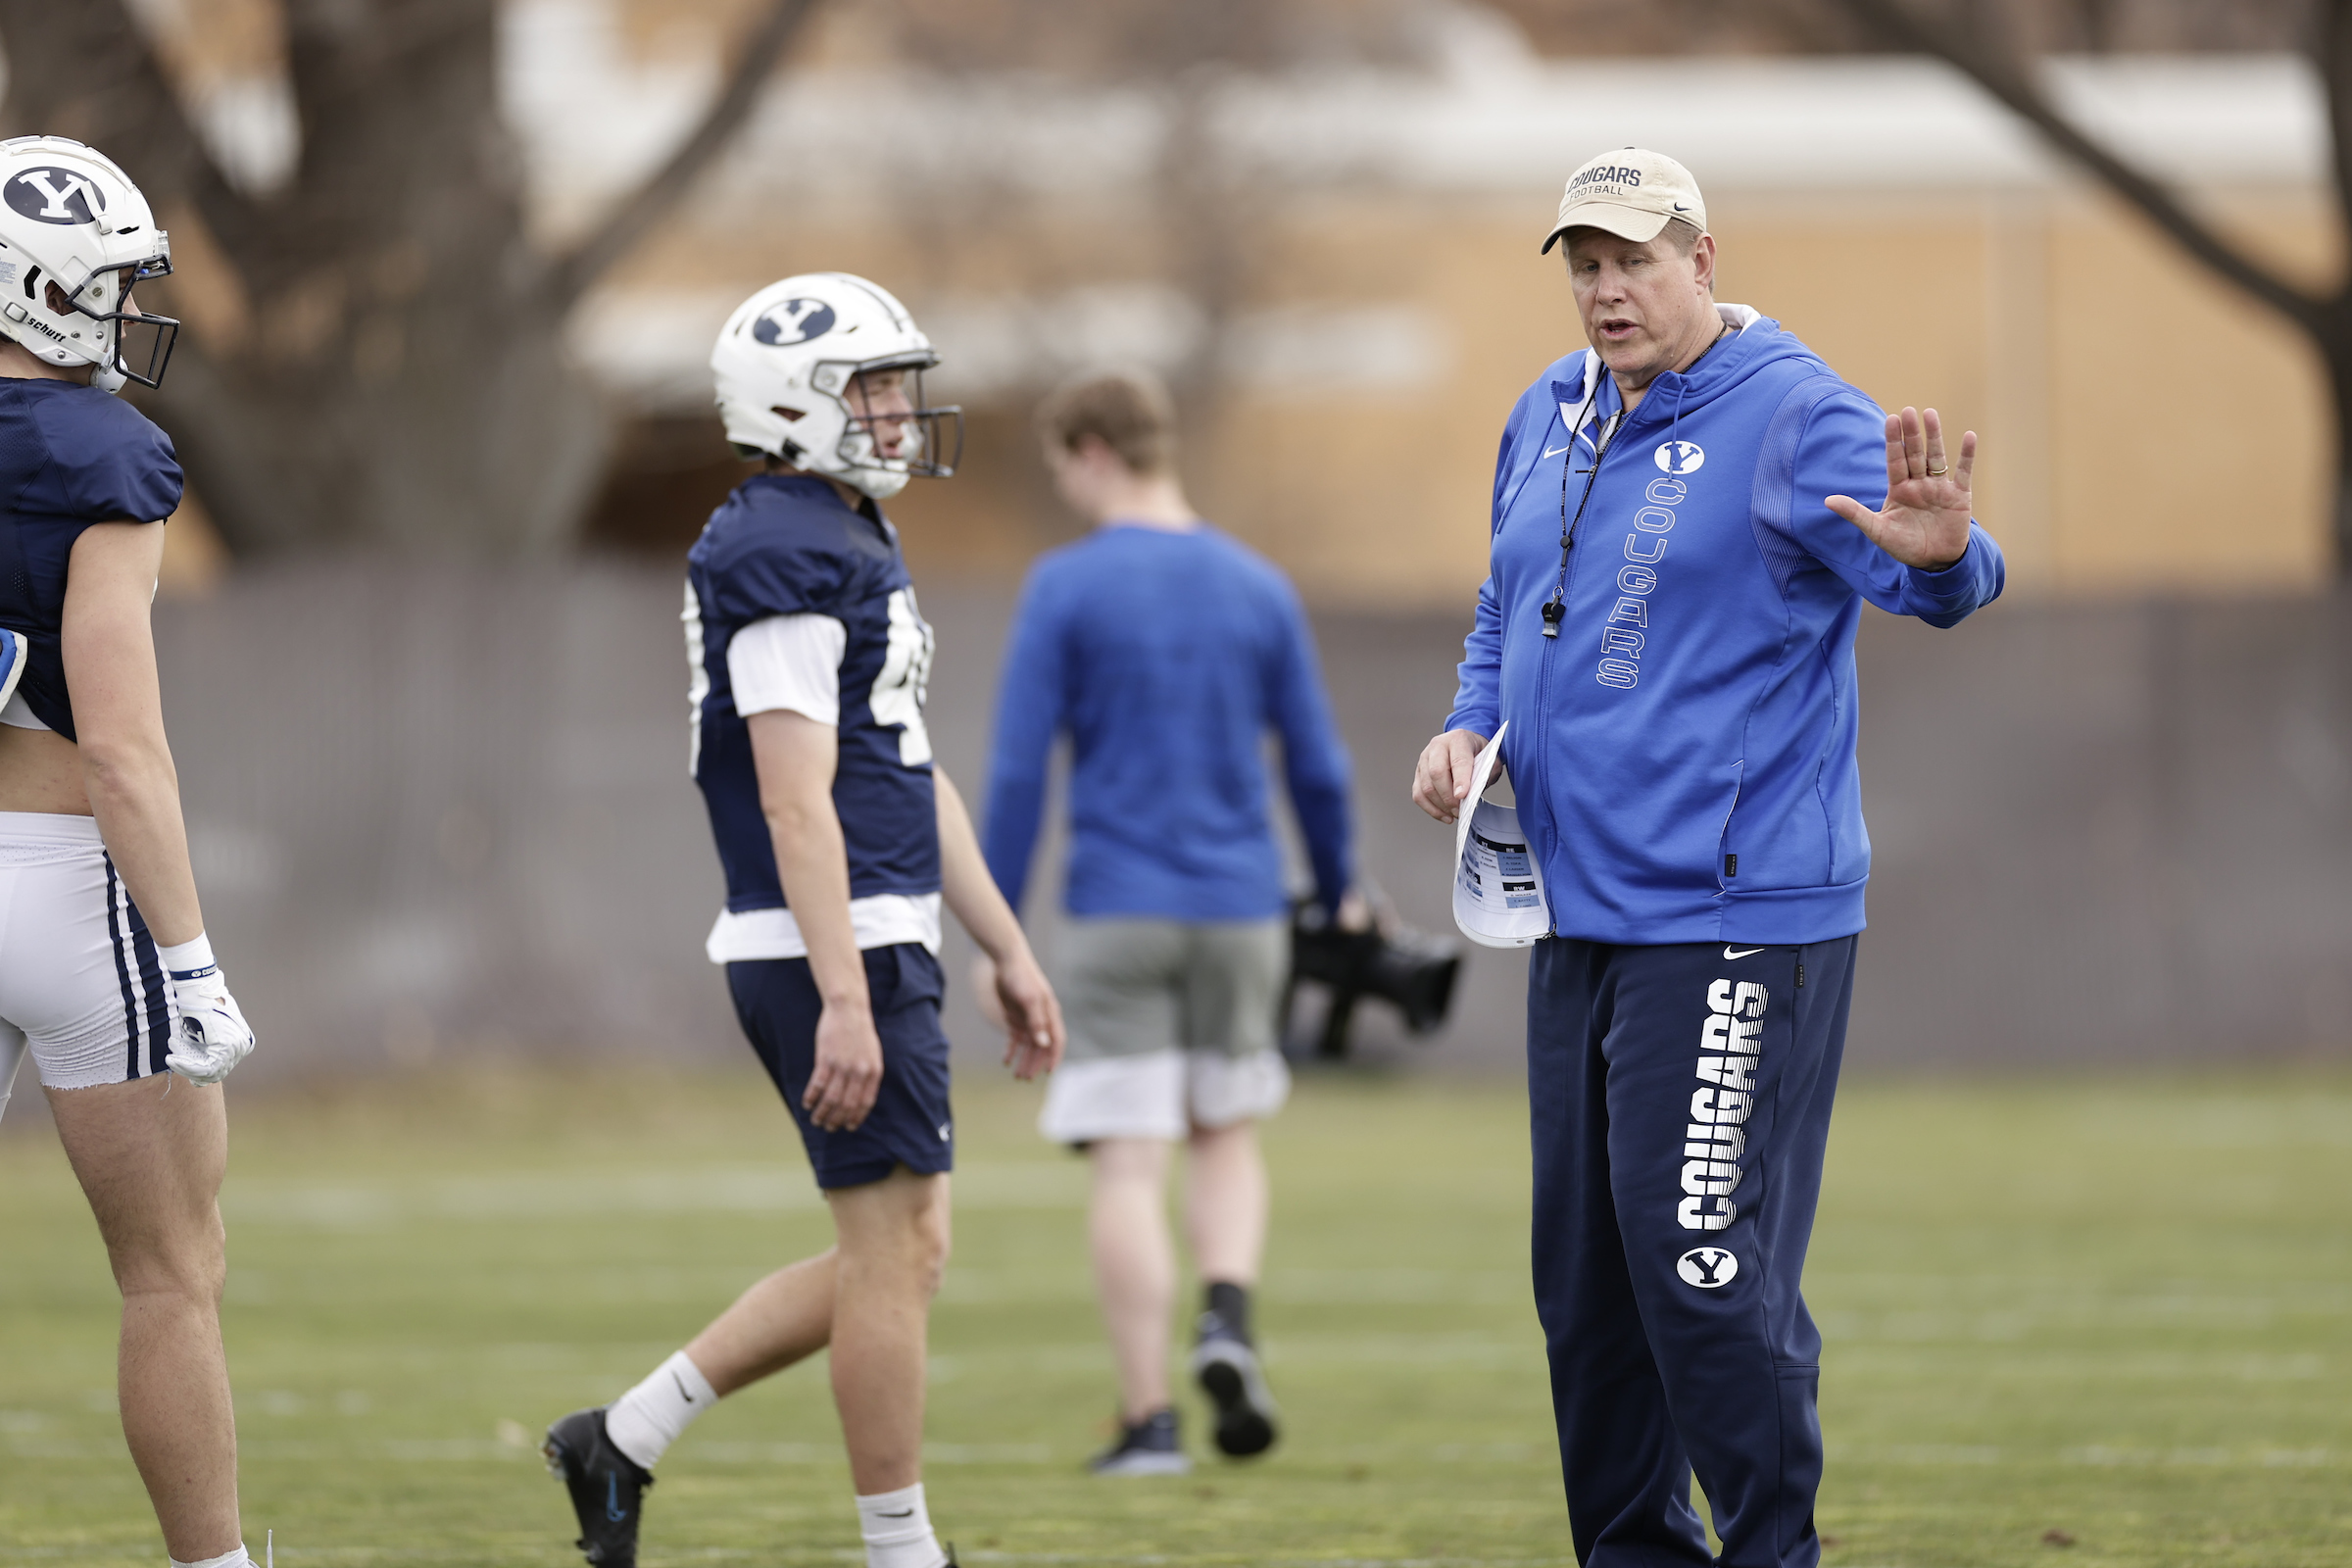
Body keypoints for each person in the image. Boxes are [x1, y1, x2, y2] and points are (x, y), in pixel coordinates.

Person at [1411, 149, 2004, 1568]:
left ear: (1704, 257)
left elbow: (1941, 576)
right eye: (1585, 265)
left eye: (1636, 261)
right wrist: (1467, 722)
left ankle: (1772, 1552)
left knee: (1700, 1269)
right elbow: (1510, 600)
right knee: (1590, 1290)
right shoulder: (1547, 410)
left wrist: (1938, 558)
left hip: (1737, 918)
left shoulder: (1797, 413)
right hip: (1575, 913)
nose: (1608, 291)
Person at [543, 272, 1065, 1568]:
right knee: (891, 1257)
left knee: (905, 1251)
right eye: (874, 389)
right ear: (794, 404)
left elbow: (905, 773)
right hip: (830, 942)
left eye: (899, 386)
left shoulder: (840, 533)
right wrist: (844, 989)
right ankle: (901, 1550)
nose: (900, 414)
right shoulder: (779, 547)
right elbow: (793, 798)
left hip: (873, 930)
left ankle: (623, 1436)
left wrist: (1006, 946)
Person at [978, 368, 1354, 1475]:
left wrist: (998, 932)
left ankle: (1148, 1424)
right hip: (1243, 910)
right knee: (1227, 1132)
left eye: (1060, 467)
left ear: (1092, 449)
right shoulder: (1258, 585)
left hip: (1118, 910)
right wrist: (1339, 888)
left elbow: (1014, 774)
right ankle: (1227, 1316)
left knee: (1130, 1166)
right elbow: (1319, 767)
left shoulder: (1065, 587)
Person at [0, 136, 259, 1568]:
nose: (120, 312)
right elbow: (121, 751)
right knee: (171, 1273)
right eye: (101, 287)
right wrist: (194, 957)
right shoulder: (104, 452)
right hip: (62, 883)